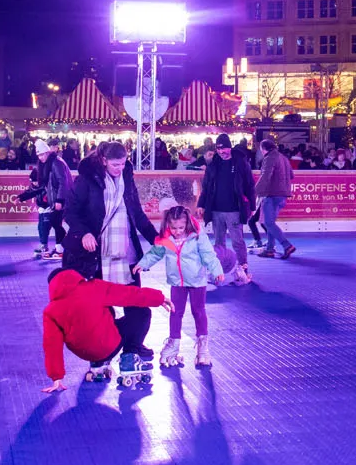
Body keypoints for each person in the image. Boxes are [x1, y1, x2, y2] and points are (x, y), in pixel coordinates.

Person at [63, 141, 160, 385]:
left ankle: (132, 348)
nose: (119, 168)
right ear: (104, 160)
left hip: (125, 252)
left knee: (137, 305)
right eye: (115, 164)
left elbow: (137, 214)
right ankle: (101, 353)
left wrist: (159, 240)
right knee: (100, 307)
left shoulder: (127, 177)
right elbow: (70, 212)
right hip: (95, 255)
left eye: (123, 163)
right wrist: (84, 232)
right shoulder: (86, 179)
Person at [40, 267, 172, 393]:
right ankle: (130, 357)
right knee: (141, 312)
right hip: (108, 346)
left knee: (102, 315)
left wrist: (56, 377)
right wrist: (158, 298)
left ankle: (97, 363)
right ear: (73, 276)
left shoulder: (50, 311)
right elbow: (128, 294)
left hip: (86, 354)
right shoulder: (94, 287)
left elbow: (52, 345)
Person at [135, 205, 224, 369]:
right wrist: (142, 264)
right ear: (168, 224)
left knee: (198, 311)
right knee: (175, 312)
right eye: (173, 227)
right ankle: (173, 345)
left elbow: (208, 255)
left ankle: (203, 346)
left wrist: (216, 270)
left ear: (187, 223)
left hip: (197, 280)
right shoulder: (166, 239)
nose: (177, 231)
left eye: (181, 227)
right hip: (177, 282)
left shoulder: (197, 236)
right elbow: (155, 253)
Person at [197, 133, 255, 285]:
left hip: (234, 211)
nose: (223, 152)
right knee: (218, 243)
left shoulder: (241, 163)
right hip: (216, 211)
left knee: (238, 241)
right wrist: (201, 204)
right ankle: (218, 272)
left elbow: (249, 185)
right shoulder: (213, 165)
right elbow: (206, 187)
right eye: (219, 149)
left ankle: (243, 270)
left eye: (225, 149)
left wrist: (253, 206)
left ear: (230, 147)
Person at [254, 137, 296, 259]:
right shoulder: (283, 158)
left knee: (268, 223)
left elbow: (266, 176)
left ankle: (287, 245)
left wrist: (255, 192)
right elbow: (291, 175)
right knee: (270, 223)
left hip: (271, 194)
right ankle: (269, 249)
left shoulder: (269, 158)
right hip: (283, 195)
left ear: (264, 149)